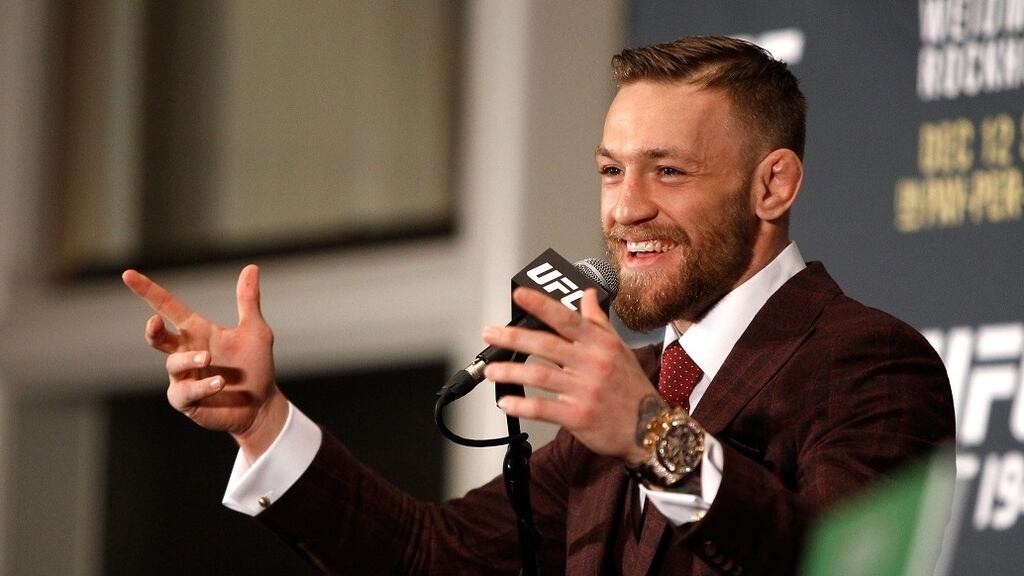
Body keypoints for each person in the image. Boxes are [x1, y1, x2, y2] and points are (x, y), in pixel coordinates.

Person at [122, 36, 955, 575]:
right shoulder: (626, 386)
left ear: (772, 184)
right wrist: (261, 419)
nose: (626, 209)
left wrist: (648, 435)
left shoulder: (867, 362)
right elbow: (427, 557)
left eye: (667, 172)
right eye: (609, 170)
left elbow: (846, 567)